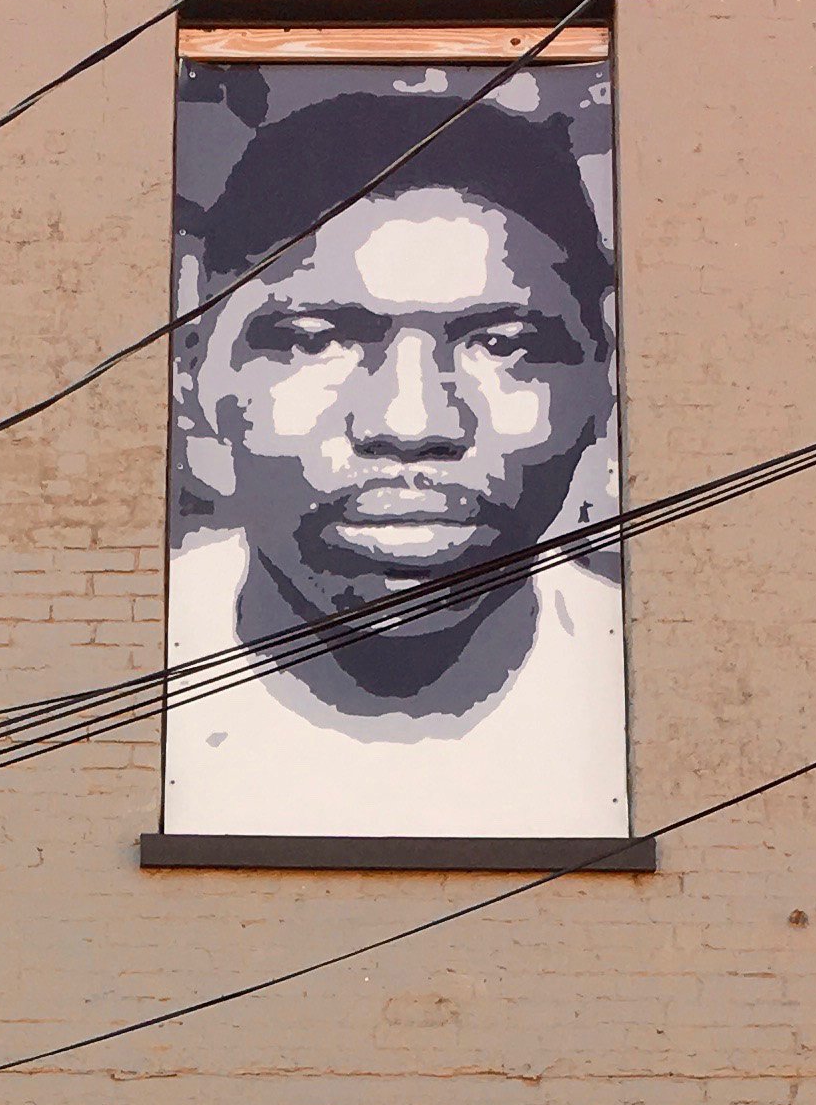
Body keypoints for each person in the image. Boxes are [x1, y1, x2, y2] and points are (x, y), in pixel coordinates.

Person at [165, 84, 626, 838]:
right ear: (193, 380)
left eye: (504, 346)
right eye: (315, 340)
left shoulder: (665, 693)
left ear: (599, 384)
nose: (413, 424)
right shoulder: (104, 674)